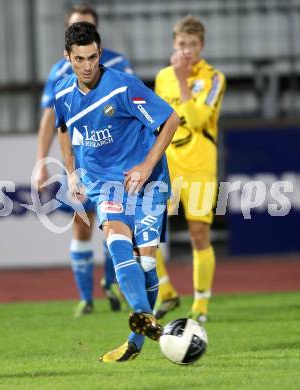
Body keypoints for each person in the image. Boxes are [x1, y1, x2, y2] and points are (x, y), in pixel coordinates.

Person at [54, 22, 179, 362]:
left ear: (100, 52)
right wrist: (70, 172)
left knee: (148, 265)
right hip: (106, 184)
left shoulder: (123, 87)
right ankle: (144, 317)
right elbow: (63, 127)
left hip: (147, 181)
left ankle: (136, 340)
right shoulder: (63, 93)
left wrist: (147, 165)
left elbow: (170, 119)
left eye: (93, 57)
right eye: (79, 59)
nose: (87, 65)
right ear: (67, 57)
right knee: (115, 240)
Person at [35, 5, 133, 317]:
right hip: (80, 159)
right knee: (83, 224)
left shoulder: (117, 65)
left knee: (115, 221)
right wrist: (41, 160)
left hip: (114, 159)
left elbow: (131, 108)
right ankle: (86, 297)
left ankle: (112, 281)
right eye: (76, 27)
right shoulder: (60, 72)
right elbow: (52, 119)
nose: (82, 33)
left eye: (87, 27)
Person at [154, 15, 226, 323]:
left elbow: (196, 121)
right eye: (182, 44)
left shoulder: (214, 78)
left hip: (199, 166)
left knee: (199, 234)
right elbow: (157, 121)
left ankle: (201, 304)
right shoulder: (162, 78)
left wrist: (183, 80)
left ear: (202, 46)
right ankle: (166, 291)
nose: (187, 50)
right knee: (148, 231)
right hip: (168, 165)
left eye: (193, 45)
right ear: (174, 44)